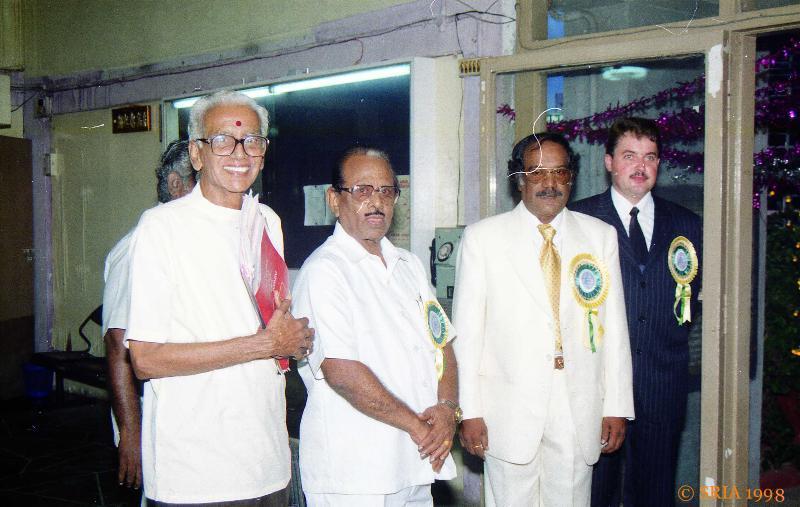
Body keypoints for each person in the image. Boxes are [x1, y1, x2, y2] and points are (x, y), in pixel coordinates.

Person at [125, 90, 314, 506]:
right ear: (196, 154)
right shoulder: (162, 228)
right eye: (222, 140)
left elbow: (270, 327)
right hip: (196, 472)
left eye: (252, 141)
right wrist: (264, 344)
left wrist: (292, 340)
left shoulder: (266, 220)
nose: (239, 153)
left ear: (263, 152)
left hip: (267, 460)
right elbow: (146, 359)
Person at [454, 132, 634, 506]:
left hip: (577, 405)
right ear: (519, 180)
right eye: (537, 173)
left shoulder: (600, 237)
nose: (549, 183)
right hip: (507, 410)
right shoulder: (483, 239)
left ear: (571, 178)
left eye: (559, 172)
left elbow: (615, 329)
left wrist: (617, 405)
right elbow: (467, 337)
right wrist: (468, 411)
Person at [292, 147, 459, 506]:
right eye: (363, 190)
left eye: (386, 191)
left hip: (416, 463)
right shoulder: (324, 271)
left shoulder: (409, 265)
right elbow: (342, 372)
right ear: (334, 200)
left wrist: (448, 409)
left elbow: (442, 343)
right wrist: (419, 427)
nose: (377, 201)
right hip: (356, 472)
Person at [570, 117, 702, 507]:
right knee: (594, 493)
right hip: (596, 387)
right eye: (629, 156)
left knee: (655, 493)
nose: (640, 166)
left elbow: (690, 302)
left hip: (662, 384)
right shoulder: (578, 221)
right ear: (609, 161)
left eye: (650, 157)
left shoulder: (687, 224)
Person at [102, 139, 196, 491]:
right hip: (154, 419)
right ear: (176, 185)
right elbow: (117, 345)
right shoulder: (138, 247)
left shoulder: (190, 245)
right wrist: (131, 433)